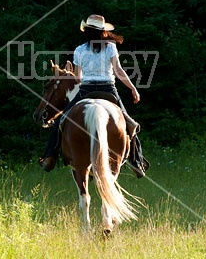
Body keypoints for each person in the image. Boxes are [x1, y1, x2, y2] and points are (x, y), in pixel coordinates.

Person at [38, 14, 150, 177]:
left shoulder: (79, 50)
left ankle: (49, 157)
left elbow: (77, 78)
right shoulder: (110, 47)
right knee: (128, 123)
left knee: (60, 122)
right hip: (108, 89)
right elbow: (118, 71)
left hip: (86, 90)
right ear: (103, 32)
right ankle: (136, 161)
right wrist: (133, 88)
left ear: (86, 32)